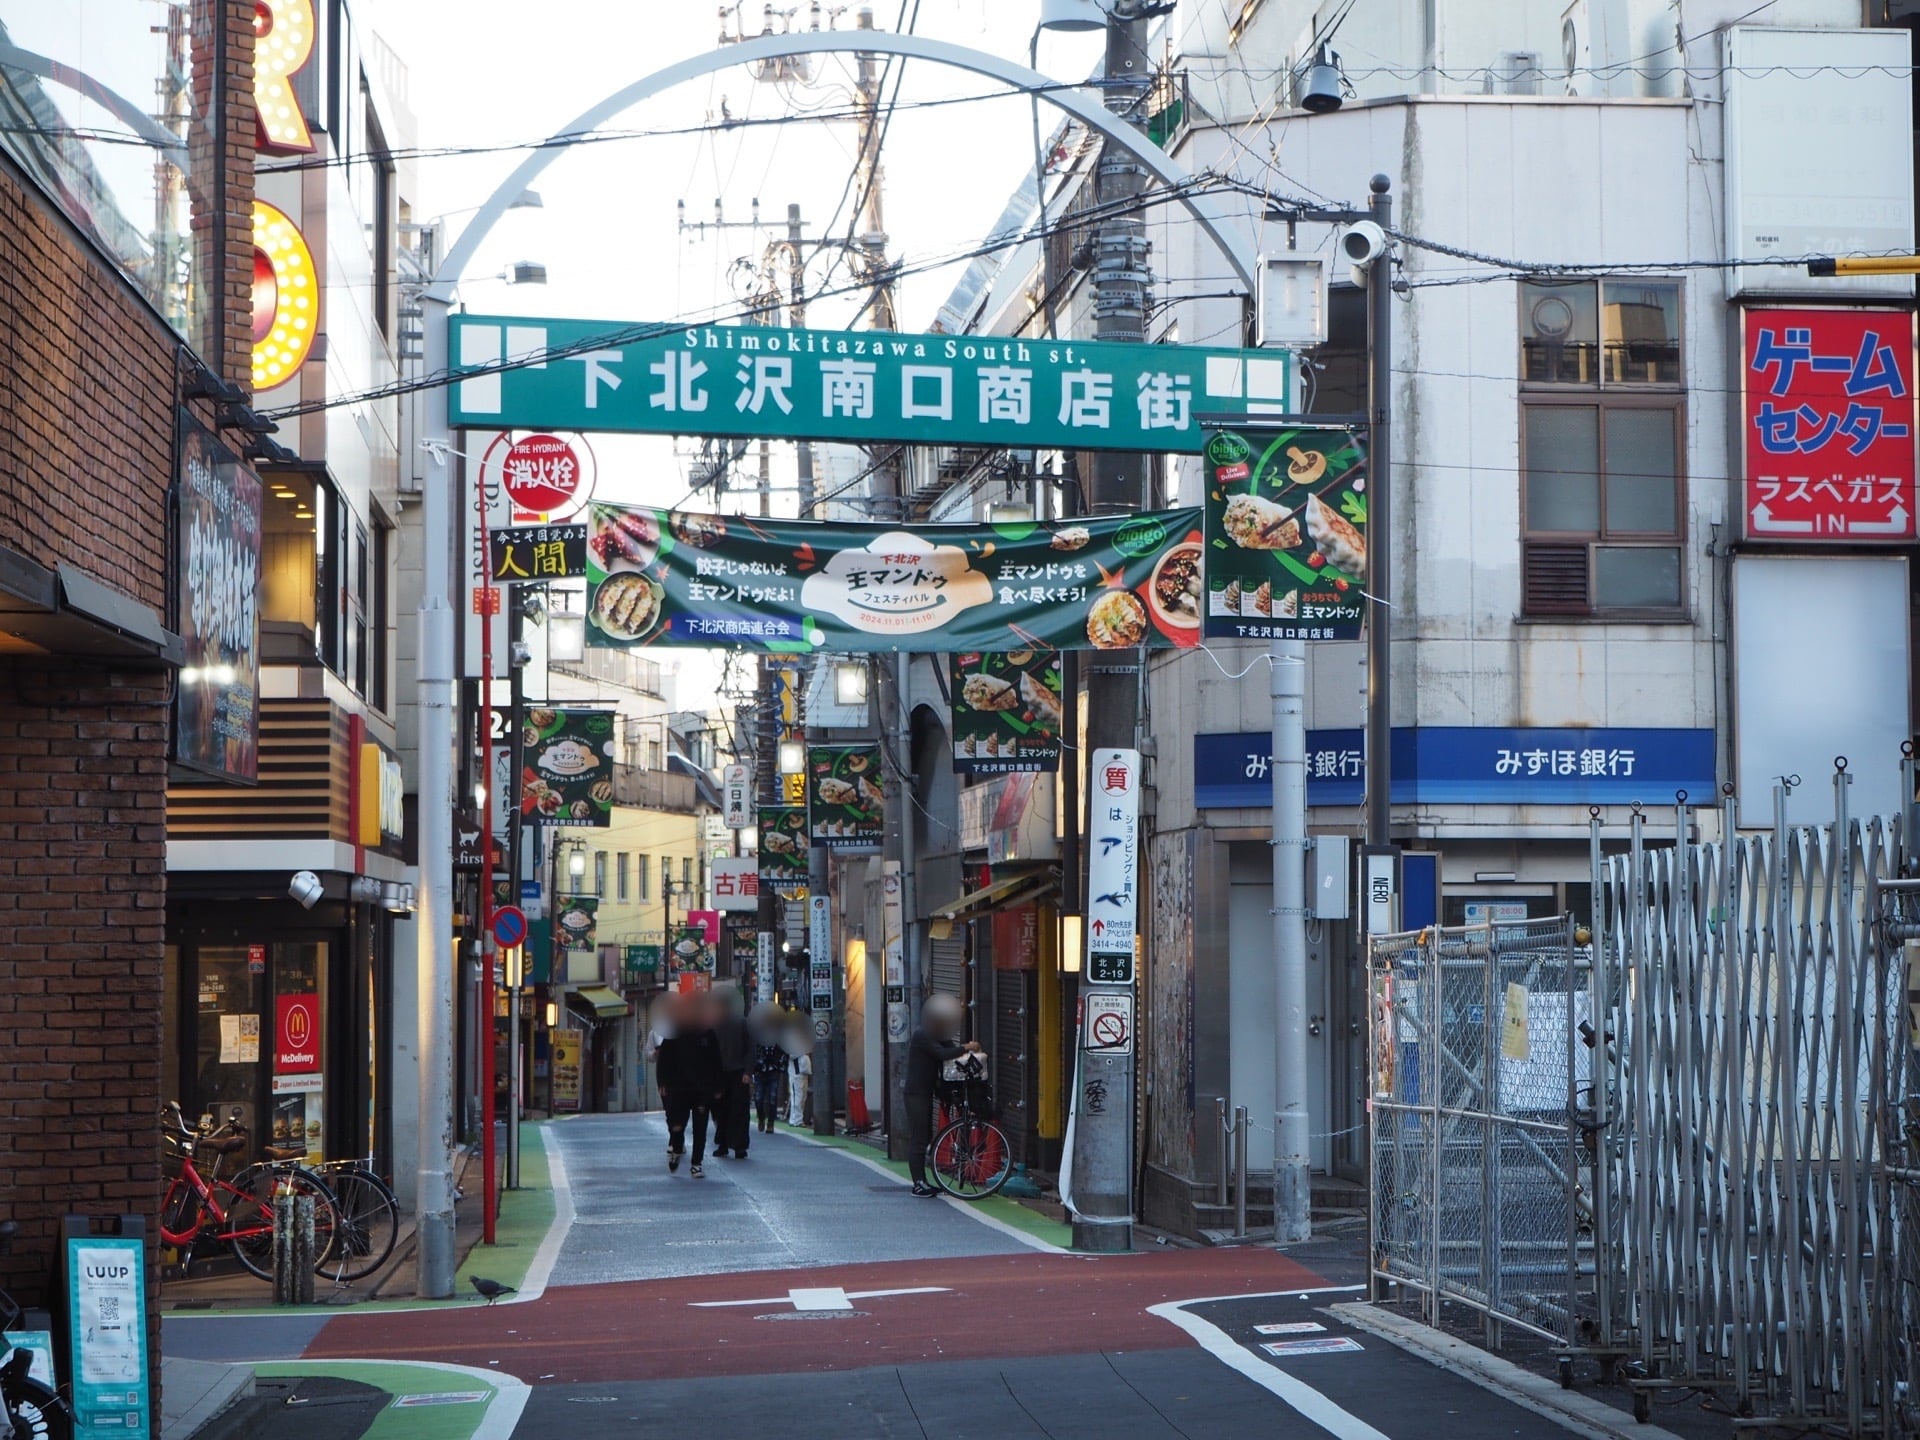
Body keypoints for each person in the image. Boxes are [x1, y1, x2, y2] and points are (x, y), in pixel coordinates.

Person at [906, 993, 979, 1198]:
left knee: (925, 1136)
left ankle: (923, 1181)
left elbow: (950, 1050)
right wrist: (966, 1047)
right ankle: (918, 1183)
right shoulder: (923, 1034)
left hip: (926, 1092)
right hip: (916, 1093)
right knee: (919, 1138)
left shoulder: (936, 1035)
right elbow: (943, 1054)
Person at [653, 994, 723, 1178]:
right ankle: (676, 1148)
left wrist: (717, 1087)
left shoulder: (708, 1033)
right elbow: (664, 1060)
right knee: (677, 1126)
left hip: (702, 1089)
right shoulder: (675, 1031)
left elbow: (716, 1061)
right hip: (678, 1088)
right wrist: (662, 1082)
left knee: (700, 1128)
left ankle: (696, 1164)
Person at [711, 989, 753, 1159]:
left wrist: (748, 1071)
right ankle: (725, 1144)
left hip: (737, 1072)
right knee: (722, 1110)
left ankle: (737, 1146)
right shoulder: (713, 1025)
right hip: (722, 1073)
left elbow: (750, 1049)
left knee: (737, 1110)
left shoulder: (742, 1023)